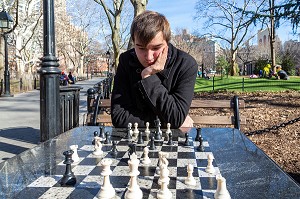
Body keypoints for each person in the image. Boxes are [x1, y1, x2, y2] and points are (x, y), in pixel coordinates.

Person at [111, 11, 198, 129]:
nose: (149, 56)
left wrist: (148, 77)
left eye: (156, 48)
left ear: (167, 42)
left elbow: (176, 117)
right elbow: (119, 117)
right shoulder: (126, 60)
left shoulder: (186, 65)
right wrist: (167, 122)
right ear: (133, 42)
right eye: (141, 48)